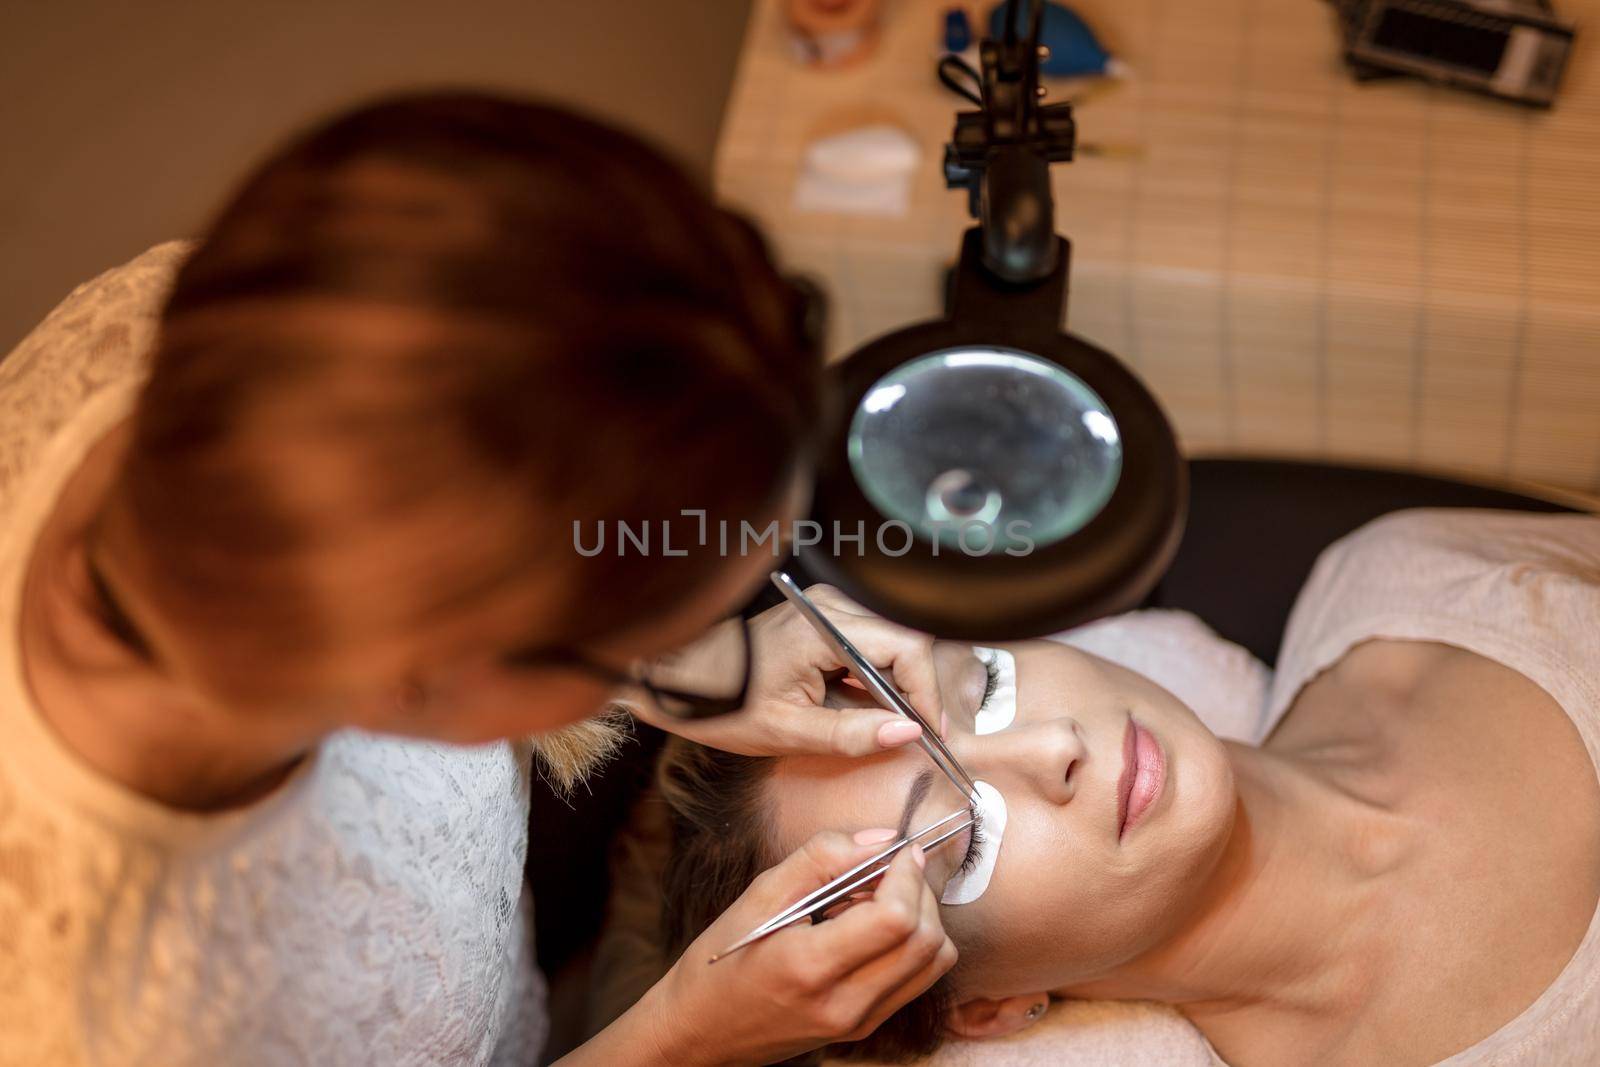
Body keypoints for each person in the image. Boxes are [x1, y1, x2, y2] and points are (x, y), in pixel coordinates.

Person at [0, 93, 960, 1066]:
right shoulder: (119, 1026)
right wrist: (685, 1037)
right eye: (643, 629)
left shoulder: (249, 355)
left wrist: (694, 661)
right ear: (422, 672)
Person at [659, 509, 1600, 1065]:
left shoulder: (1402, 579)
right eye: (967, 839)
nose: (1053, 747)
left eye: (984, 685)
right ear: (988, 1009)